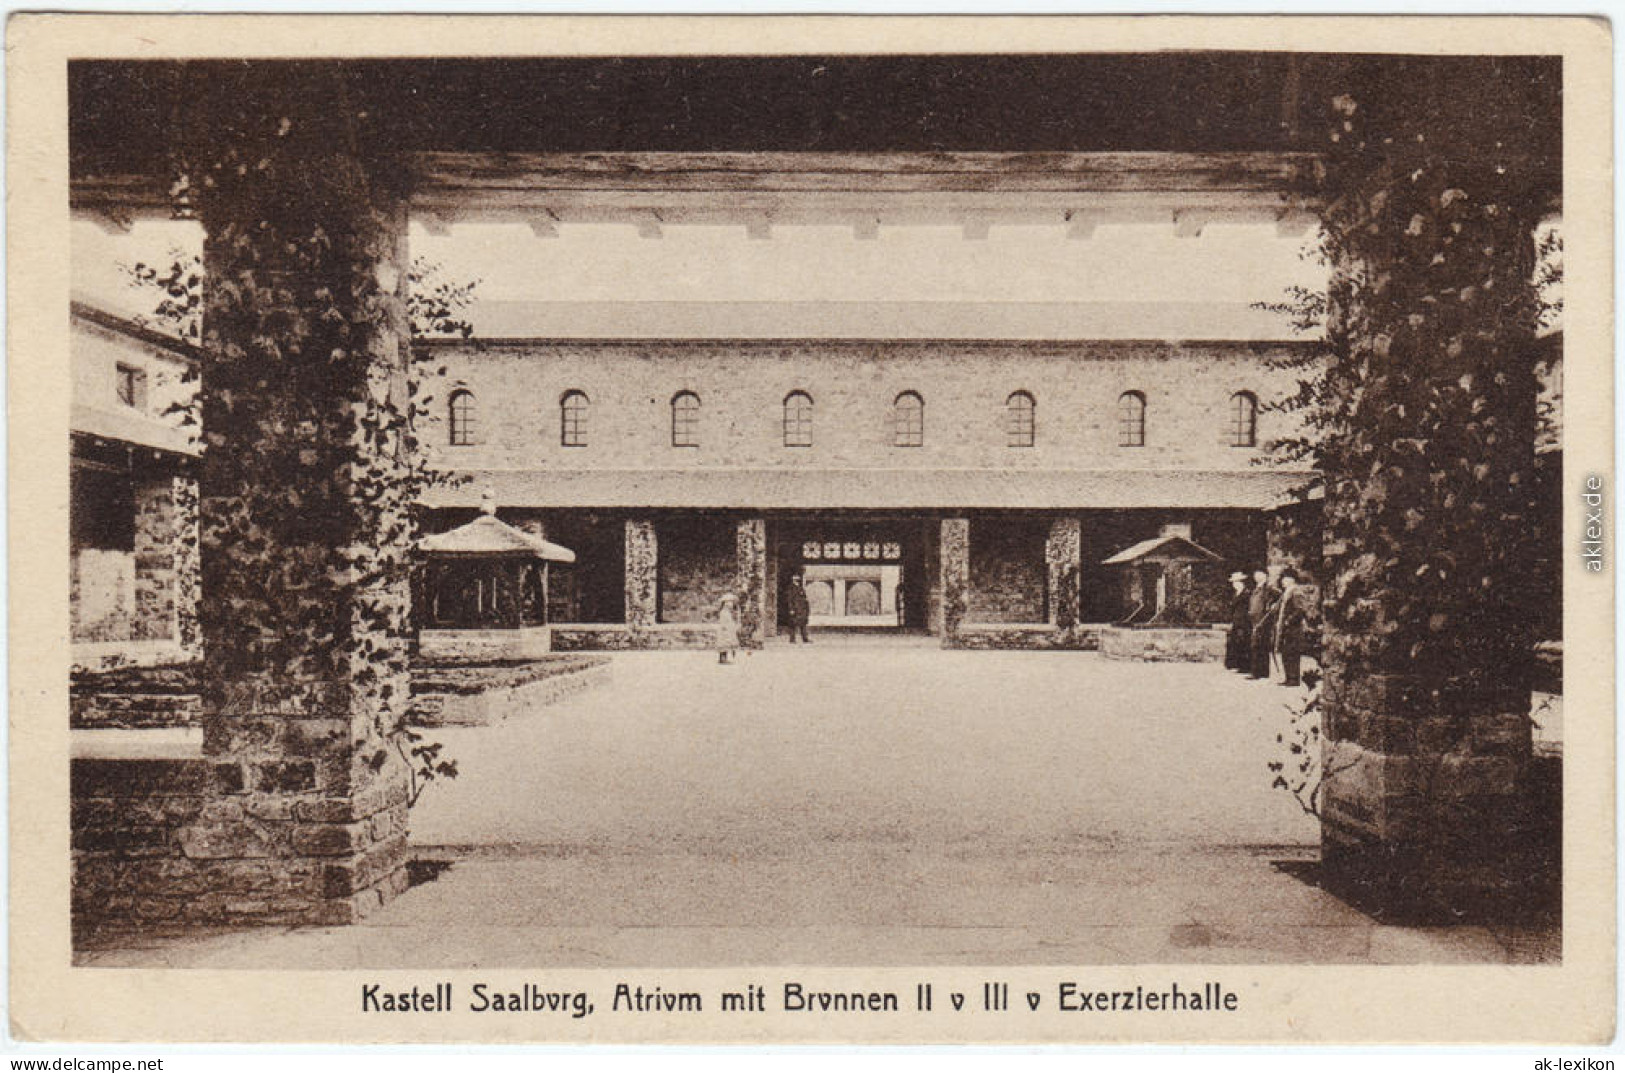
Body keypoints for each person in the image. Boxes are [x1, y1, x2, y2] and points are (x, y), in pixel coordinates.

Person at [1273, 570, 1310, 687]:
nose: (1283, 582)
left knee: (1292, 652)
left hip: (1294, 628)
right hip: (1286, 627)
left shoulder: (1296, 591)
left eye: (1285, 579)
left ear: (1292, 580)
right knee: (1286, 651)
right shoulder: (1286, 592)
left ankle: (1294, 678)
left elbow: (1300, 609)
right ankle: (1289, 677)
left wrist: (1289, 620)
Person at [1247, 568, 1276, 680]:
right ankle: (1259, 671)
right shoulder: (1257, 588)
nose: (1256, 576)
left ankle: (1259, 672)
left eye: (1259, 574)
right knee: (1256, 645)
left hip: (1263, 621)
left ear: (1265, 575)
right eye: (1255, 573)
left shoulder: (1268, 588)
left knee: (1259, 645)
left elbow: (1278, 597)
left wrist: (1272, 606)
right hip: (1255, 620)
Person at [1224, 571, 1252, 672]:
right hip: (1236, 620)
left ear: (1241, 582)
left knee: (1243, 642)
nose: (1234, 584)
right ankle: (1236, 665)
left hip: (1244, 621)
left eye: (1236, 582)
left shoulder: (1246, 593)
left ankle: (1245, 666)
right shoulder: (1236, 594)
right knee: (1235, 642)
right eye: (1233, 582)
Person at [715, 592, 742, 665]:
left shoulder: (728, 612)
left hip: (727, 631)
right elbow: (724, 623)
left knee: (726, 645)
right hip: (724, 631)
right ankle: (722, 659)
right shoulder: (724, 612)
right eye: (730, 603)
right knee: (723, 645)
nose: (731, 605)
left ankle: (724, 658)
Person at [785, 572, 811, 643]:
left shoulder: (800, 588)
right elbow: (789, 600)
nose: (797, 580)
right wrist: (791, 609)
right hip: (795, 608)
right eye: (795, 579)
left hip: (802, 609)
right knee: (793, 624)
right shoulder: (791, 588)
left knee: (803, 624)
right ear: (793, 580)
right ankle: (792, 639)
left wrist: (807, 608)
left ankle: (805, 639)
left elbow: (805, 598)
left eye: (798, 579)